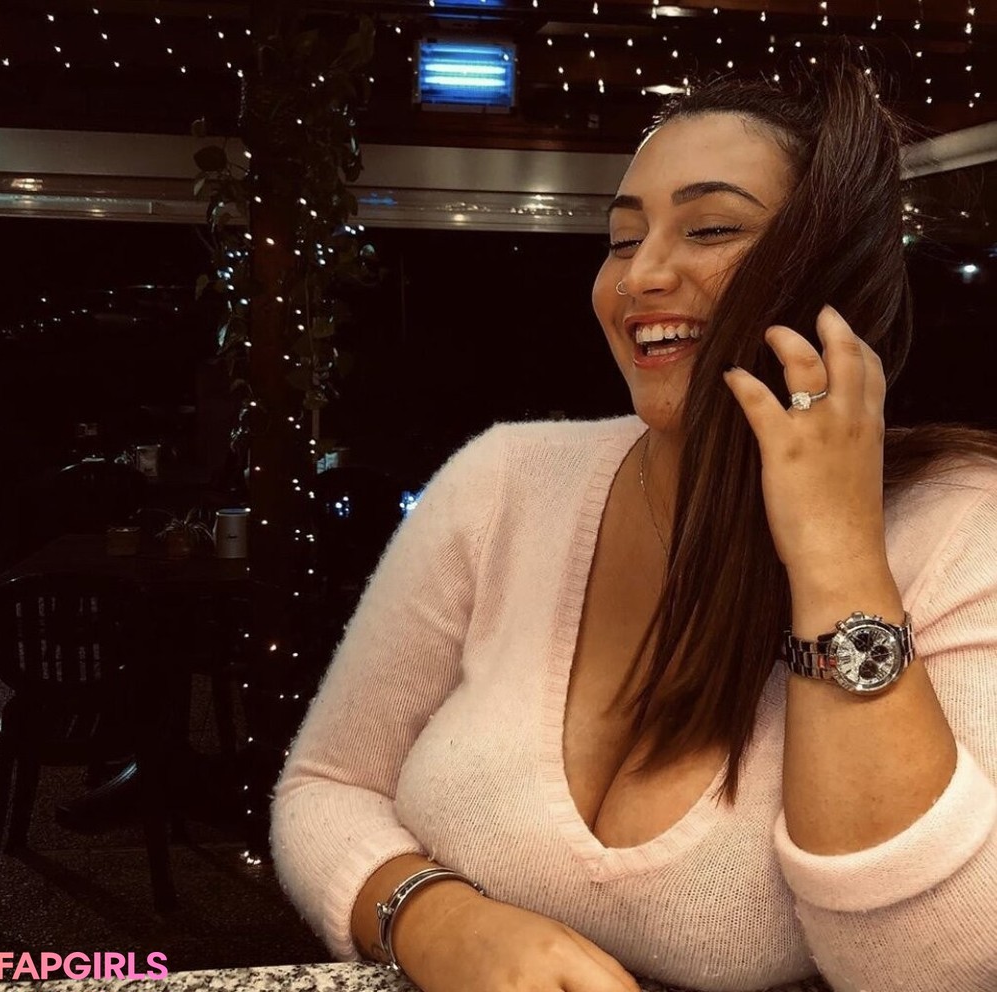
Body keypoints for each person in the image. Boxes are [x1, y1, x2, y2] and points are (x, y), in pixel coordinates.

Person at [271, 48, 997, 992]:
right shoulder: (501, 481)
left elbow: (931, 970)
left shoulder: (961, 524)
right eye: (621, 239)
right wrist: (433, 917)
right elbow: (325, 788)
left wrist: (838, 557)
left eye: (711, 228)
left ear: (833, 275)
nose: (640, 276)